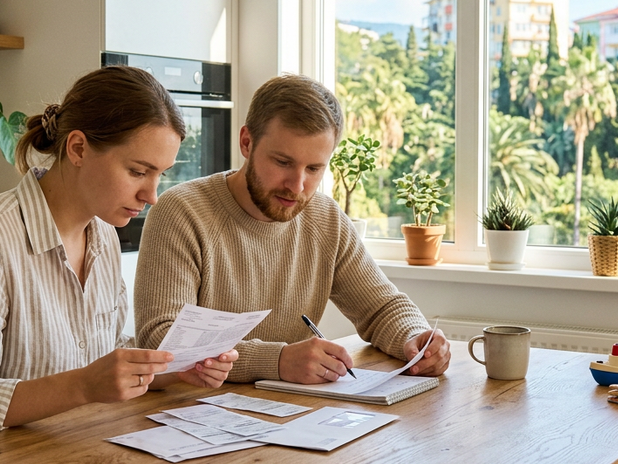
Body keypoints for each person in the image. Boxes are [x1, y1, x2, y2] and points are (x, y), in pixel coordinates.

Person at [0, 66, 237, 451]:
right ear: (78, 148)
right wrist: (83, 385)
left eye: (160, 175)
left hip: (44, 462)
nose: (151, 195)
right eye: (138, 171)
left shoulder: (102, 235)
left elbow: (96, 351)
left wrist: (175, 369)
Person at [133, 73, 450, 384]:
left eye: (314, 168)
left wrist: (415, 337)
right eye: (283, 162)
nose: (297, 186)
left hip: (290, 414)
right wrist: (277, 361)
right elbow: (161, 341)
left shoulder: (325, 218)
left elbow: (380, 308)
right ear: (247, 142)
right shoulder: (182, 212)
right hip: (187, 416)